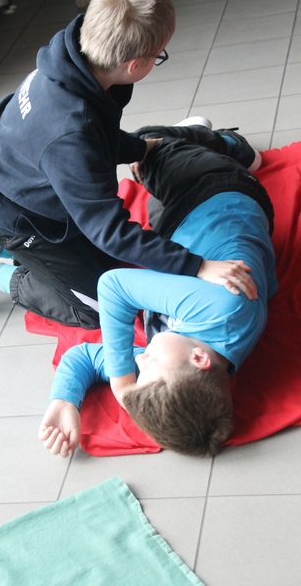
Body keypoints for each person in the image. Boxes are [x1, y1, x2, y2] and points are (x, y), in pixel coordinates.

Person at [0, 0, 257, 328]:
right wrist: (198, 266)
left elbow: (94, 135)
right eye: (158, 55)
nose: (158, 60)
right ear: (134, 65)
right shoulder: (70, 133)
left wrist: (139, 149)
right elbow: (109, 229)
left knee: (117, 267)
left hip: (30, 177)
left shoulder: (74, 55)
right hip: (19, 215)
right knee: (102, 307)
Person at [38, 123, 278, 458]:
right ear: (199, 359)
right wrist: (121, 384)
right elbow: (113, 285)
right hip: (216, 190)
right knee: (140, 145)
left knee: (141, 182)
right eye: (148, 365)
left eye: (140, 370)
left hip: (174, 230)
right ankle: (226, 143)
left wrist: (64, 399)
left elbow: (84, 357)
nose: (141, 358)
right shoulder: (227, 307)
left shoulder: (179, 368)